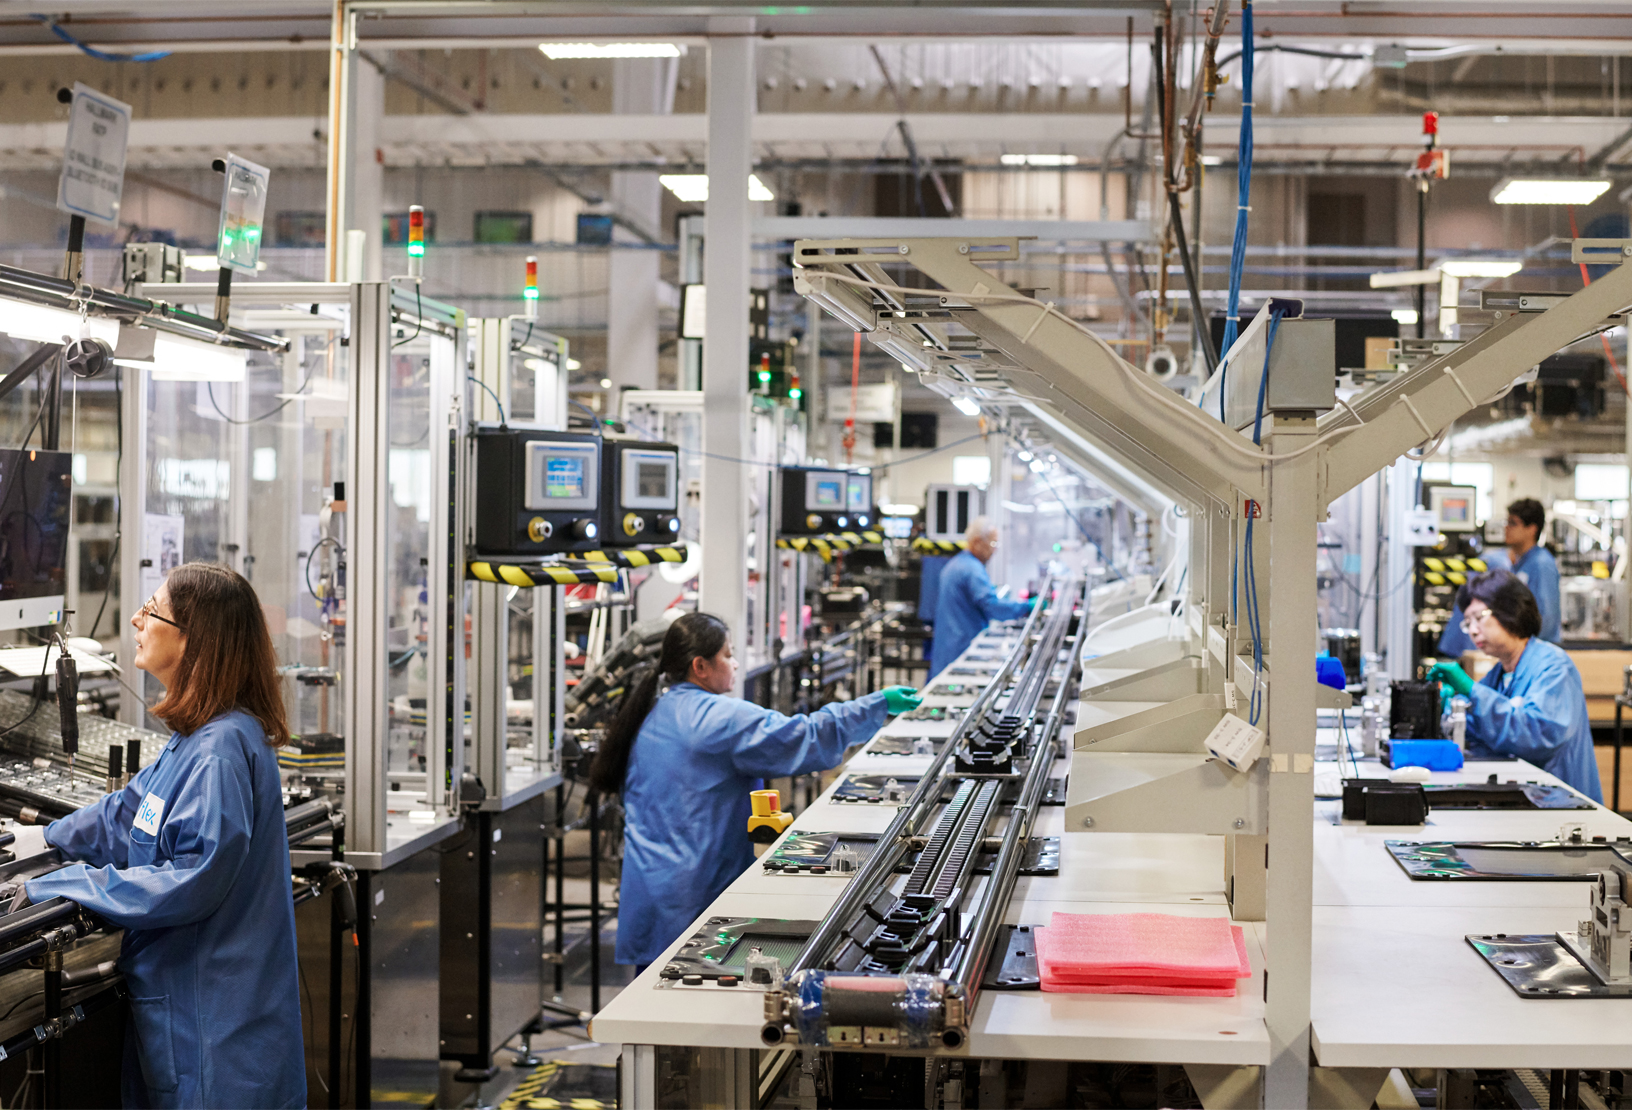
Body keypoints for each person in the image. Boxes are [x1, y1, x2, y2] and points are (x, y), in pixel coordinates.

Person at [24, 565, 306, 1109]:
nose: (135, 618)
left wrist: (71, 884)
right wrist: (40, 837)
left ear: (192, 637)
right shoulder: (200, 736)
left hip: (218, 1029)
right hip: (188, 1015)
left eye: (150, 610)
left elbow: (190, 881)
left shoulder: (221, 749)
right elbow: (127, 814)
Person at [590, 612, 921, 971]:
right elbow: (803, 735)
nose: (734, 663)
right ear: (700, 666)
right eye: (728, 655)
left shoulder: (653, 712)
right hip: (693, 897)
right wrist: (875, 705)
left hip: (651, 895)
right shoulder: (717, 718)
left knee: (651, 1002)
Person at [1426, 569, 1601, 802]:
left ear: (1510, 610)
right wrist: (1450, 708)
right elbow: (1481, 730)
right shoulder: (1500, 673)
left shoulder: (1554, 667)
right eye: (1468, 623)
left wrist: (1471, 690)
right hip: (1525, 799)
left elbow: (1535, 735)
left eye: (1479, 617)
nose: (1474, 630)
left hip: (1561, 806)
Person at [929, 517, 1034, 678]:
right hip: (962, 652)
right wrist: (1026, 607)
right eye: (993, 544)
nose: (995, 550)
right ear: (977, 542)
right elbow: (992, 606)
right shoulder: (972, 569)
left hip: (948, 650)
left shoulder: (956, 564)